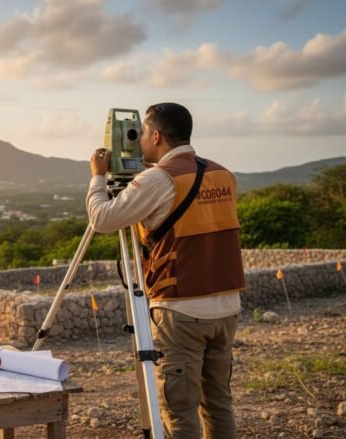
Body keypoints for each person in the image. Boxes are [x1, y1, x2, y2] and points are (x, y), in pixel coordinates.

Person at [87, 103, 245, 438]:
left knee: (180, 410)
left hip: (182, 307)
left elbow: (102, 219)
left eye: (142, 133)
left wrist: (98, 176)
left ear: (156, 135)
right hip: (227, 306)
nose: (139, 138)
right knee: (218, 403)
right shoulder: (222, 173)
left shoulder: (158, 179)